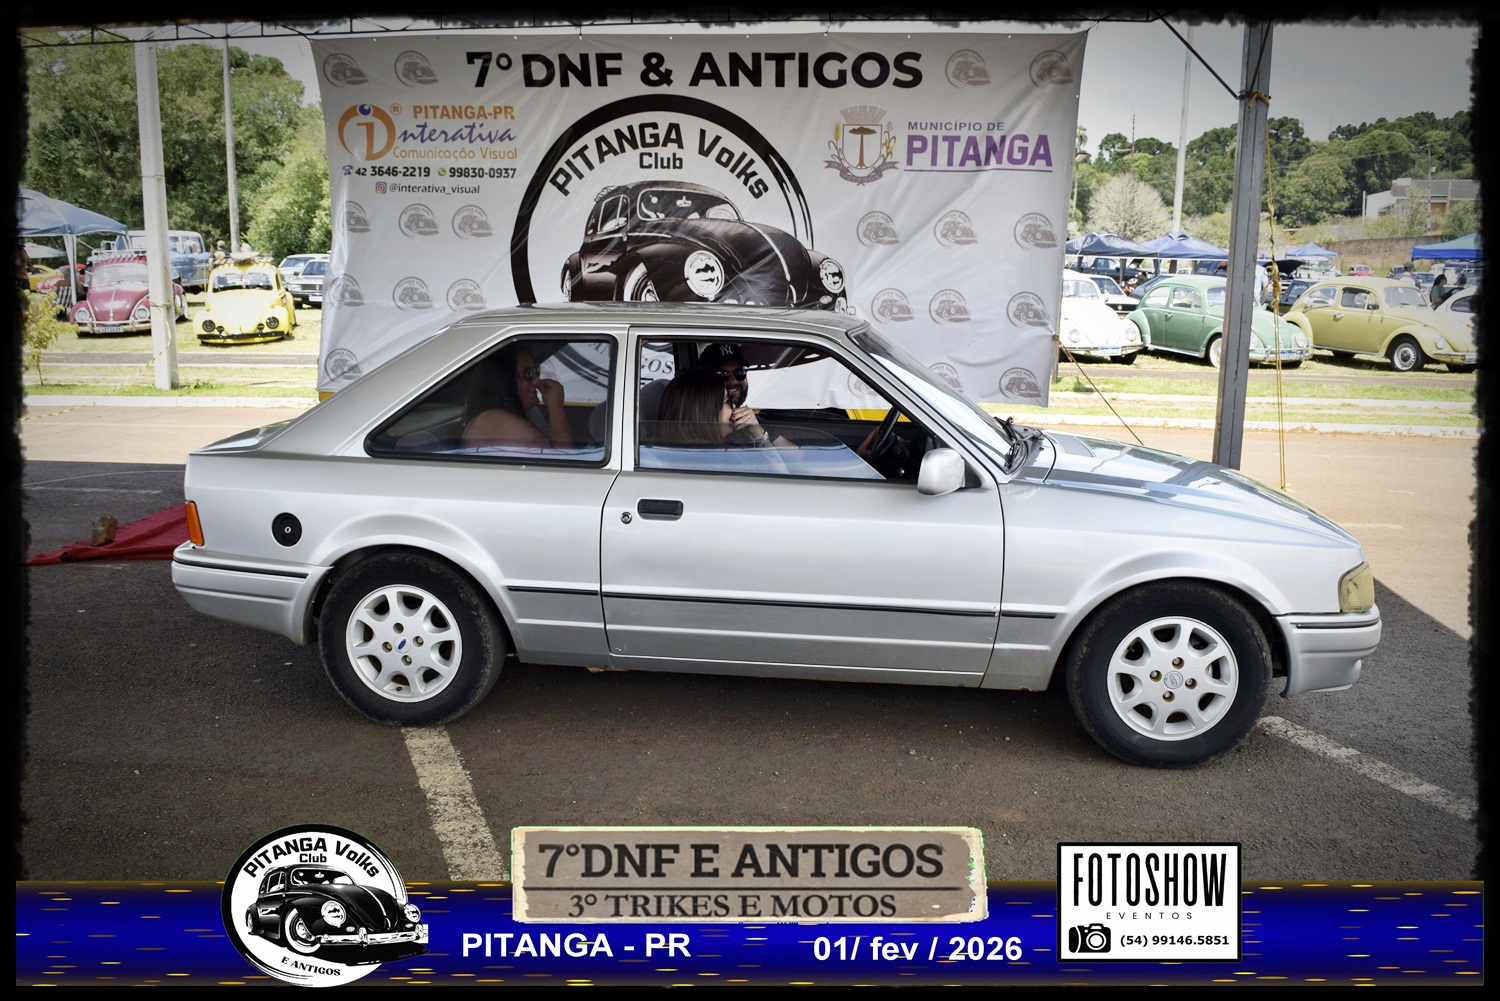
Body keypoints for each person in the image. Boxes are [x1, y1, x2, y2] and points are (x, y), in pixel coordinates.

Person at [461, 342, 573, 448]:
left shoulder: (530, 412)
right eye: (527, 374)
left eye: (536, 370)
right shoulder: (495, 419)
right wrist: (555, 405)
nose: (536, 380)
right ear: (504, 381)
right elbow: (563, 456)